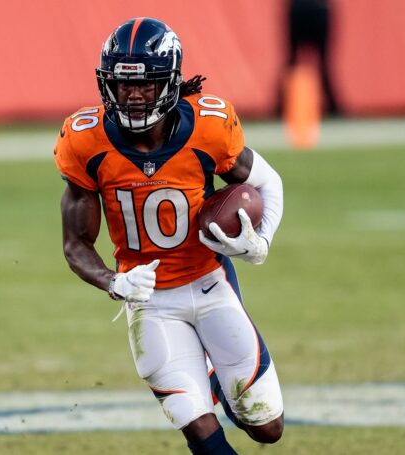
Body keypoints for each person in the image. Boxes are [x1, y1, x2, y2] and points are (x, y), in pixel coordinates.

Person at [54, 17, 285, 454]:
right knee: (197, 427)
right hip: (150, 301)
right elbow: (75, 244)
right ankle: (202, 381)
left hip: (211, 283)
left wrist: (261, 242)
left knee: (267, 428)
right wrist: (114, 281)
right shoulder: (86, 142)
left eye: (147, 84)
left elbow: (268, 182)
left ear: (172, 83)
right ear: (108, 84)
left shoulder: (209, 128)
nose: (134, 95)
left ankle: (217, 377)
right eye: (123, 85)